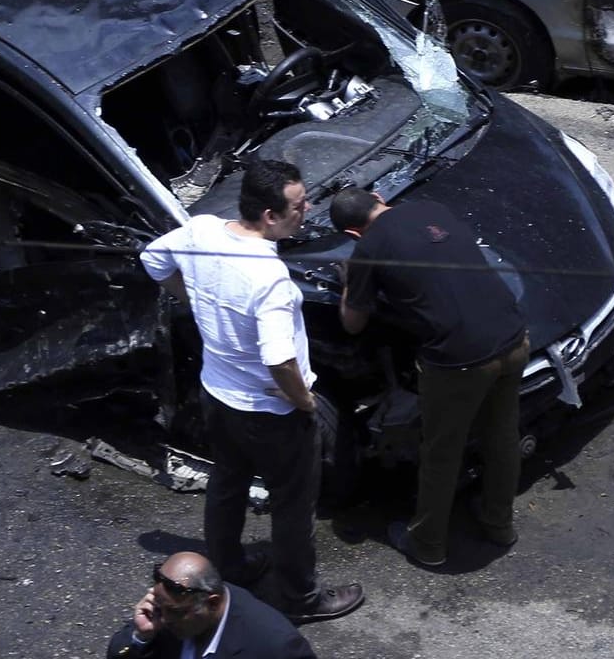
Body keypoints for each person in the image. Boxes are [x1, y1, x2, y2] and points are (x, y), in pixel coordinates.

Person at [142, 159, 363, 624]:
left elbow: (152, 259)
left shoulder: (200, 231)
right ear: (269, 216)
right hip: (270, 412)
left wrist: (197, 299)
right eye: (300, 206)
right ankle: (302, 599)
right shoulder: (270, 280)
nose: (307, 210)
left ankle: (230, 566)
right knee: (292, 506)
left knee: (227, 482)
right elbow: (279, 358)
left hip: (218, 395)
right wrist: (303, 401)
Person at [331, 188, 529, 568]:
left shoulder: (367, 249)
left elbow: (352, 323)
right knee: (502, 436)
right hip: (513, 337)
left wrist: (348, 282)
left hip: (459, 362)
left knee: (441, 453)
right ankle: (499, 524)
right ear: (378, 196)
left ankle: (428, 544)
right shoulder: (432, 205)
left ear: (353, 233)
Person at [107, 551, 316, 659]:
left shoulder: (277, 646)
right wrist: (141, 636)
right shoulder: (166, 611)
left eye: (175, 612)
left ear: (212, 603)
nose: (166, 620)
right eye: (162, 608)